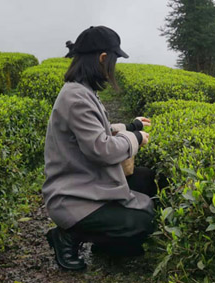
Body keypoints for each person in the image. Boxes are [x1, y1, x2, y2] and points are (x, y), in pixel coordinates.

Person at [43, 26, 160, 271]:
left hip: (86, 183)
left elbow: (98, 129)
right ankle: (69, 235)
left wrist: (130, 126)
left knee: (146, 179)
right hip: (73, 196)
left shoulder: (81, 91)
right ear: (103, 58)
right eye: (113, 61)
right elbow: (101, 149)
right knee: (145, 220)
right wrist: (135, 138)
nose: (113, 70)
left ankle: (108, 242)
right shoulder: (76, 97)